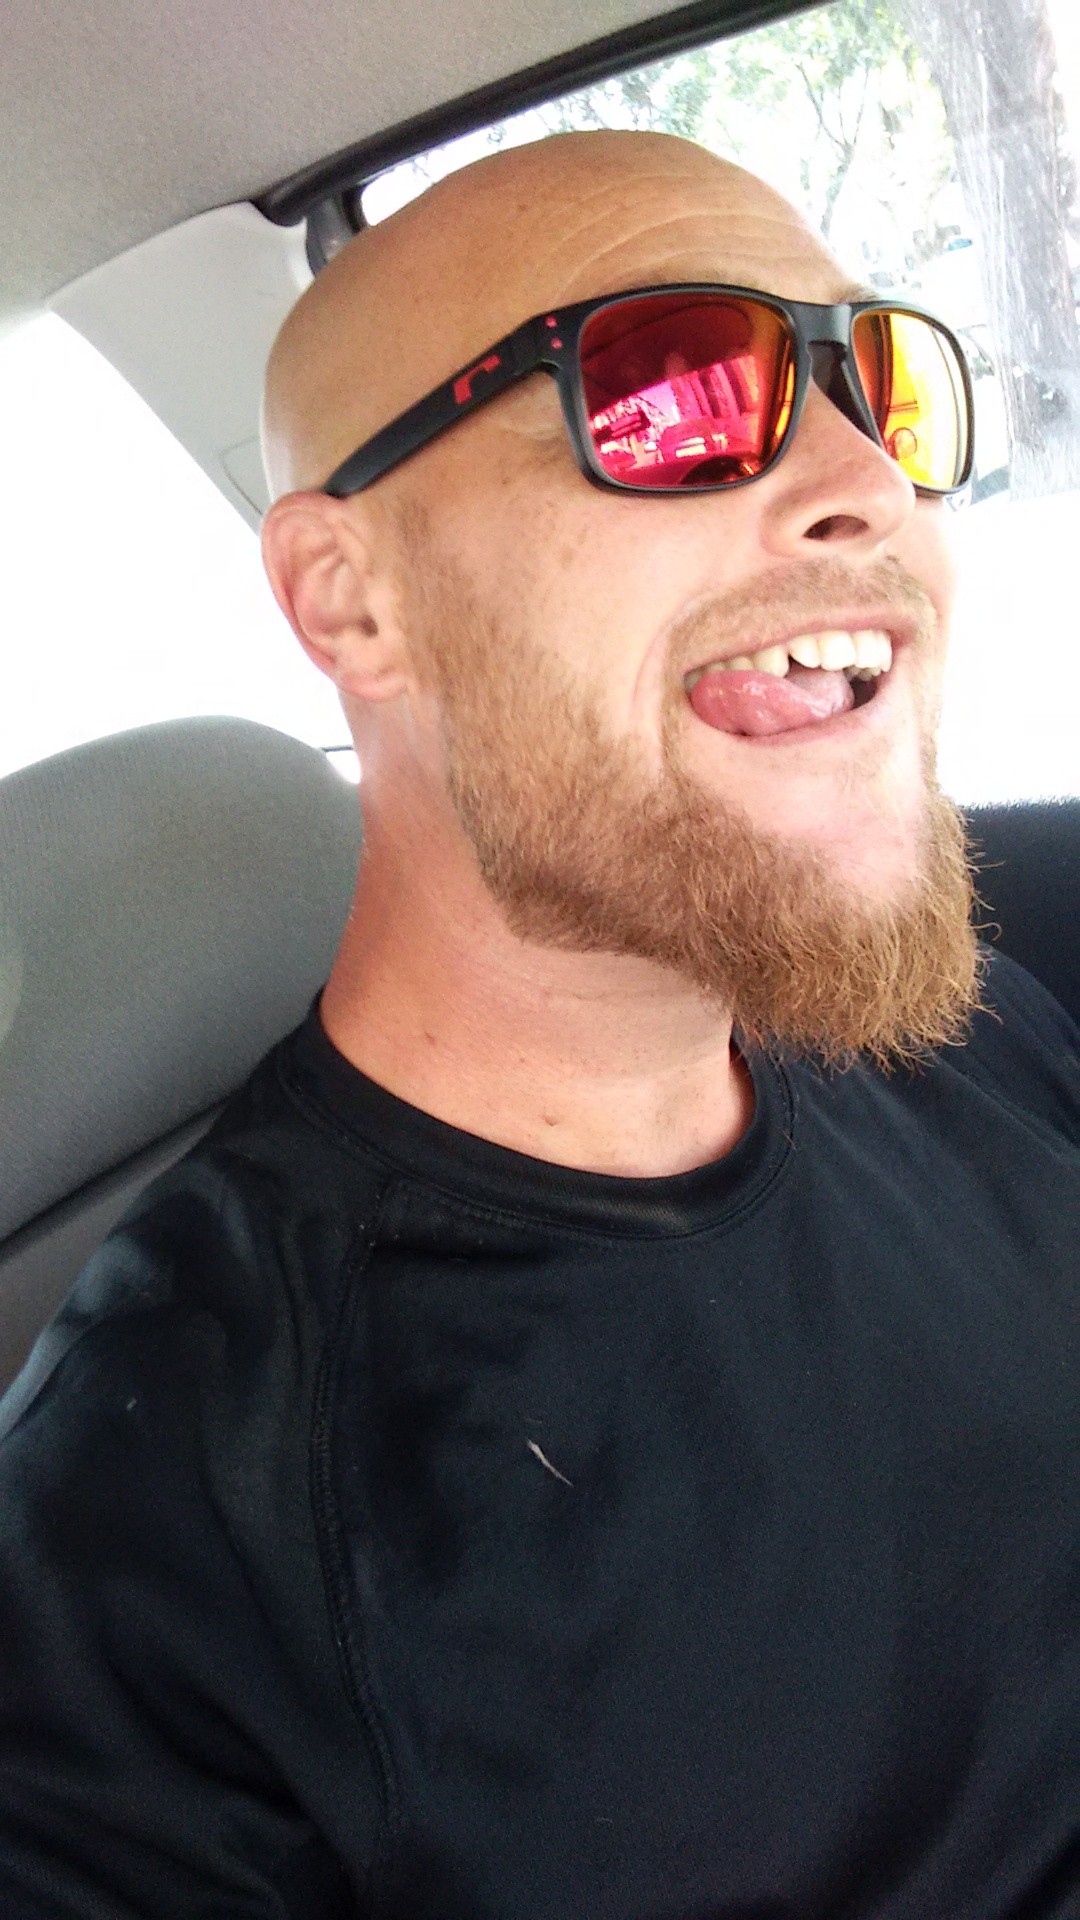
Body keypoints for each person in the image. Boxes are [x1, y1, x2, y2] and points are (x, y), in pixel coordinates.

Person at [0, 131, 1076, 1919]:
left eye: (876, 383)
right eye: (673, 391)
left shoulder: (942, 1031)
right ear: (352, 599)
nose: (867, 483)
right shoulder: (158, 1559)